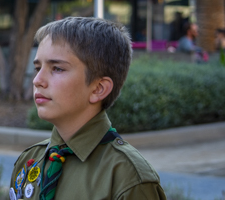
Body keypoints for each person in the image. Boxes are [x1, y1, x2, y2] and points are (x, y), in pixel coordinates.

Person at [9, 17, 166, 200]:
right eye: (37, 68)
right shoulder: (29, 161)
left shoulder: (126, 178)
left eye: (57, 68)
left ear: (98, 89)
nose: (37, 80)